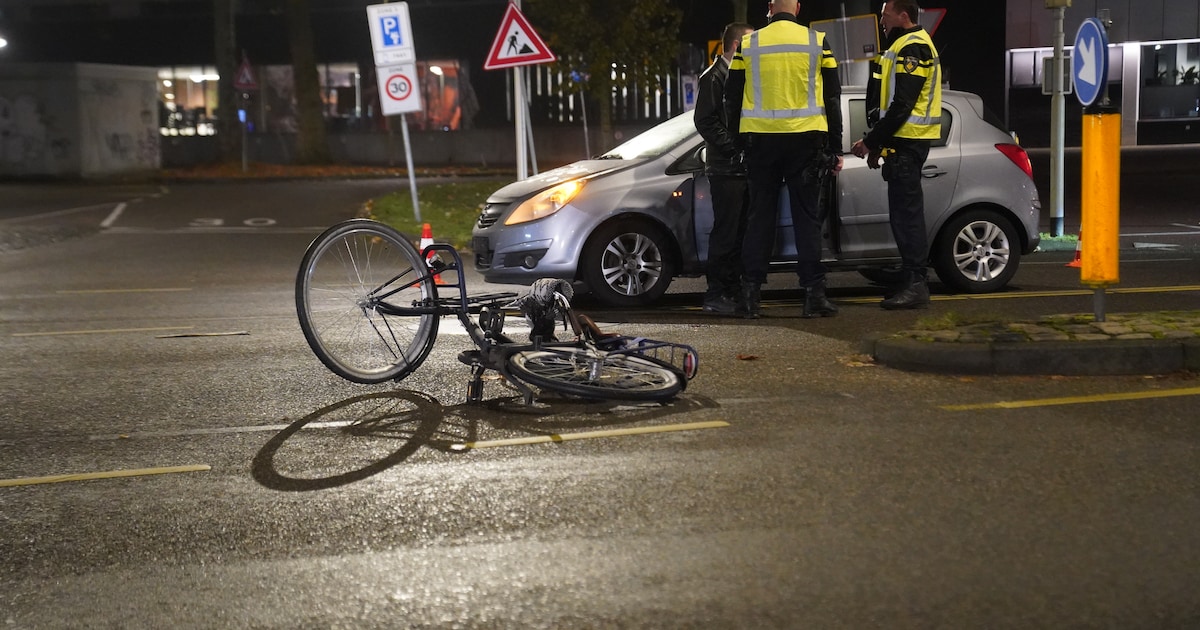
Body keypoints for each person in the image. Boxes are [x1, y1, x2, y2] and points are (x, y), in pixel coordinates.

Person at [724, 0, 844, 319]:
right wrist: (836, 146)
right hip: (806, 141)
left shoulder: (749, 44)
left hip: (760, 142)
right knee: (807, 219)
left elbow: (731, 96)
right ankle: (813, 295)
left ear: (770, 7)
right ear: (799, 7)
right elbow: (832, 97)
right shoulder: (816, 41)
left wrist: (737, 142)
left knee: (759, 218)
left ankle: (750, 296)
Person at [850, 0, 942, 310]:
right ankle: (910, 281)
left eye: (885, 14)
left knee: (908, 218)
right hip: (902, 144)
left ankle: (916, 284)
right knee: (903, 218)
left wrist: (870, 142)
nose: (881, 19)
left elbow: (902, 105)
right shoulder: (904, 44)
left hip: (908, 143)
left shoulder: (912, 47)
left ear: (903, 15)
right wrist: (879, 146)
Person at [694, 21, 754, 316]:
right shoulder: (715, 76)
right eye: (750, 43)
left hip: (738, 168)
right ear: (736, 45)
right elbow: (704, 120)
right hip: (726, 168)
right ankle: (716, 293)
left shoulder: (736, 74)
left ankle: (732, 291)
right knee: (726, 233)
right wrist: (733, 147)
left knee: (739, 233)